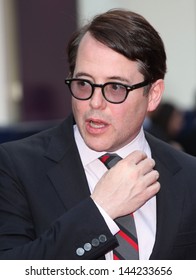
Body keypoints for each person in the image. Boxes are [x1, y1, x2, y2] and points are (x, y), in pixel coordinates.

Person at [0, 9, 196, 260]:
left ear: (154, 94)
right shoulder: (16, 167)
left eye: (115, 88)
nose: (95, 102)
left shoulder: (189, 177)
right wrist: (100, 211)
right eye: (84, 83)